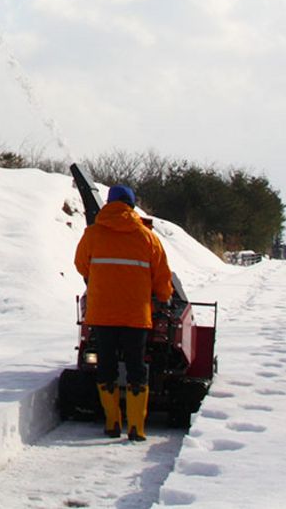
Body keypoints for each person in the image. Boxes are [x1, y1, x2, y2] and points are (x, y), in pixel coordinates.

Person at [74, 185, 174, 441]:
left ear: (109, 203)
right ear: (131, 205)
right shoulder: (146, 236)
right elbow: (162, 276)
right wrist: (163, 298)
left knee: (106, 367)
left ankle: (111, 423)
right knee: (137, 368)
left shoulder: (93, 234)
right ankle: (136, 428)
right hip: (136, 316)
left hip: (102, 314)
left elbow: (80, 264)